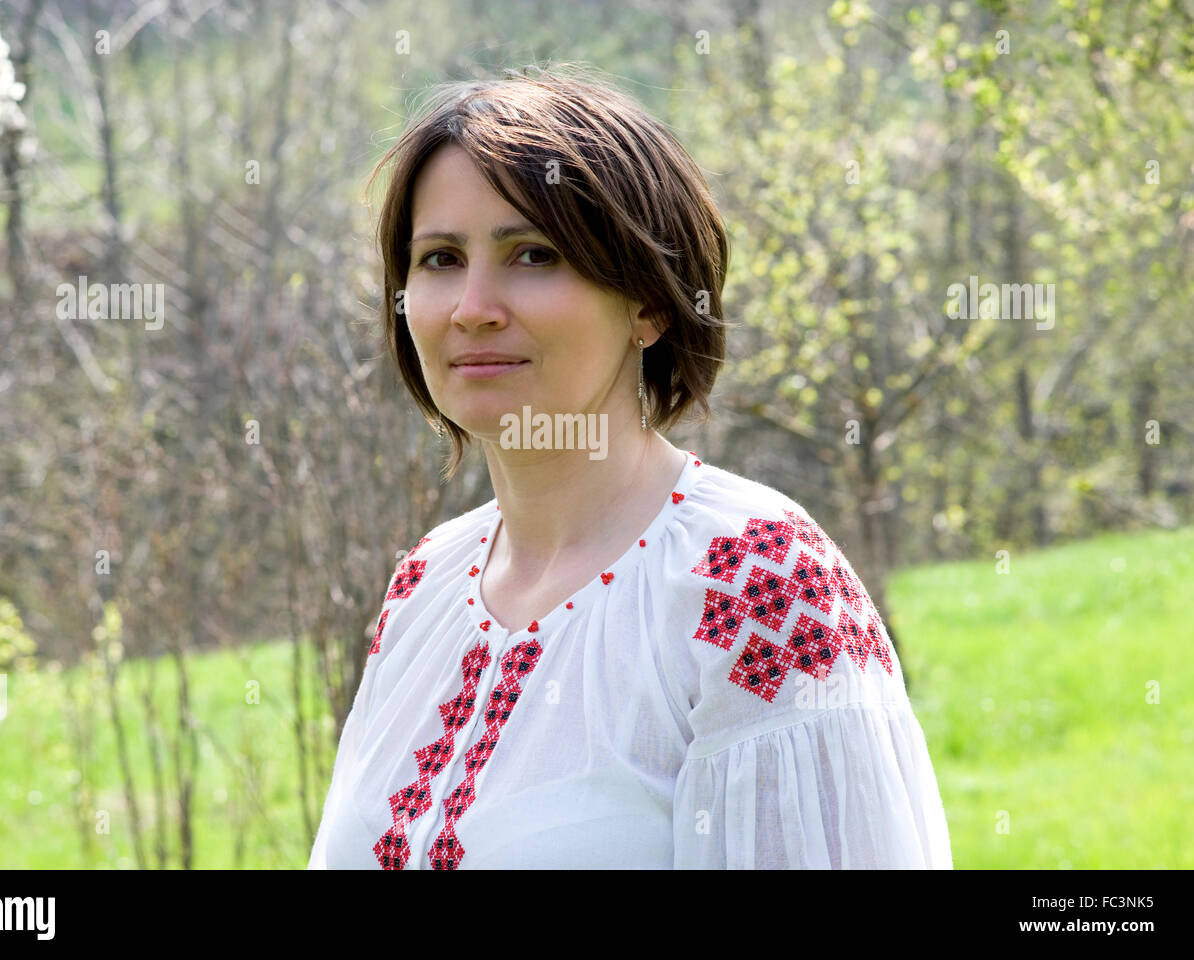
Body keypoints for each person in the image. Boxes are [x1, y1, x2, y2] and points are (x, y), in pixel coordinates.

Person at [308, 63, 953, 869]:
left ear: (649, 302)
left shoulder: (757, 583)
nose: (473, 306)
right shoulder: (423, 591)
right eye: (440, 259)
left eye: (534, 254)